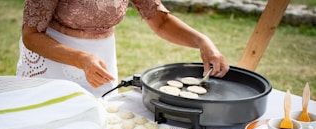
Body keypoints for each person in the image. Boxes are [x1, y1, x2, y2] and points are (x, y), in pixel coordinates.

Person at [16, 0, 229, 97]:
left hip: (101, 57)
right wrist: (80, 59)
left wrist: (202, 41)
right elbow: (32, 36)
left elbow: (160, 21)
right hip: (56, 58)